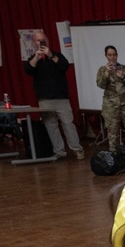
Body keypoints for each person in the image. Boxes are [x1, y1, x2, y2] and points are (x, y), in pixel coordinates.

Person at [23, 31, 84, 160]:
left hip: (61, 97)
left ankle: (77, 149)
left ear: (48, 40)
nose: (41, 42)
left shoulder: (57, 55)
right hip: (44, 99)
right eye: (38, 41)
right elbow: (28, 70)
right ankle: (59, 151)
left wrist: (50, 55)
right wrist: (37, 57)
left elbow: (64, 66)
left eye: (43, 40)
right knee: (51, 126)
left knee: (68, 124)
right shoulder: (34, 58)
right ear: (34, 43)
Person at [95, 45, 125, 151]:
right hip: (111, 104)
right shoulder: (102, 70)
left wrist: (122, 77)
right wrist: (106, 74)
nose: (112, 57)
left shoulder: (124, 68)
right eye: (110, 55)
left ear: (117, 55)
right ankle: (114, 155)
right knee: (113, 131)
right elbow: (101, 85)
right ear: (106, 56)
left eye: (114, 55)